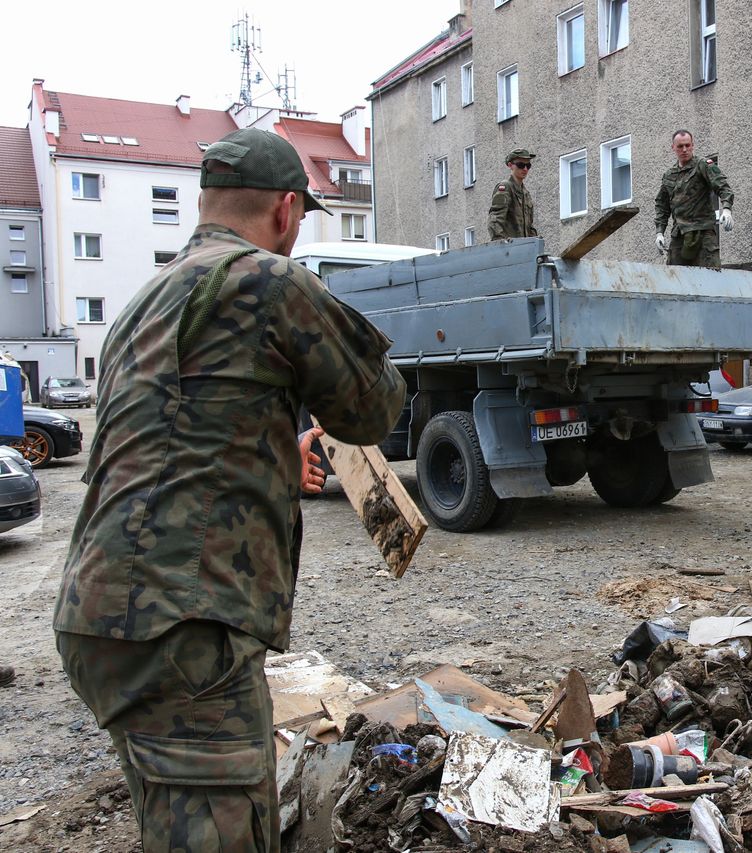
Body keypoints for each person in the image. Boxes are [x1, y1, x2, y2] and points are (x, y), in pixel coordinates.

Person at [53, 127, 406, 850]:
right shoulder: (269, 282)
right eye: (300, 219)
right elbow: (374, 407)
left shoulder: (142, 303)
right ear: (285, 210)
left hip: (102, 614)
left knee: (175, 816)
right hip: (181, 629)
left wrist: (278, 439)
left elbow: (166, 439)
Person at [654, 130, 734, 268]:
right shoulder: (669, 175)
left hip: (703, 233)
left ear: (692, 145)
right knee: (673, 278)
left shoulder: (703, 165)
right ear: (673, 147)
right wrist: (659, 232)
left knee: (711, 275)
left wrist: (726, 210)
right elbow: (662, 205)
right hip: (679, 234)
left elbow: (723, 187)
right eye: (680, 146)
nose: (684, 150)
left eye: (688, 145)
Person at [488, 148, 538, 240]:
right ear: (510, 165)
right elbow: (495, 220)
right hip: (510, 249)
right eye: (520, 165)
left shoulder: (525, 193)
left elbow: (529, 226)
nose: (525, 169)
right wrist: (502, 245)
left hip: (524, 248)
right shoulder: (505, 187)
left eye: (528, 165)